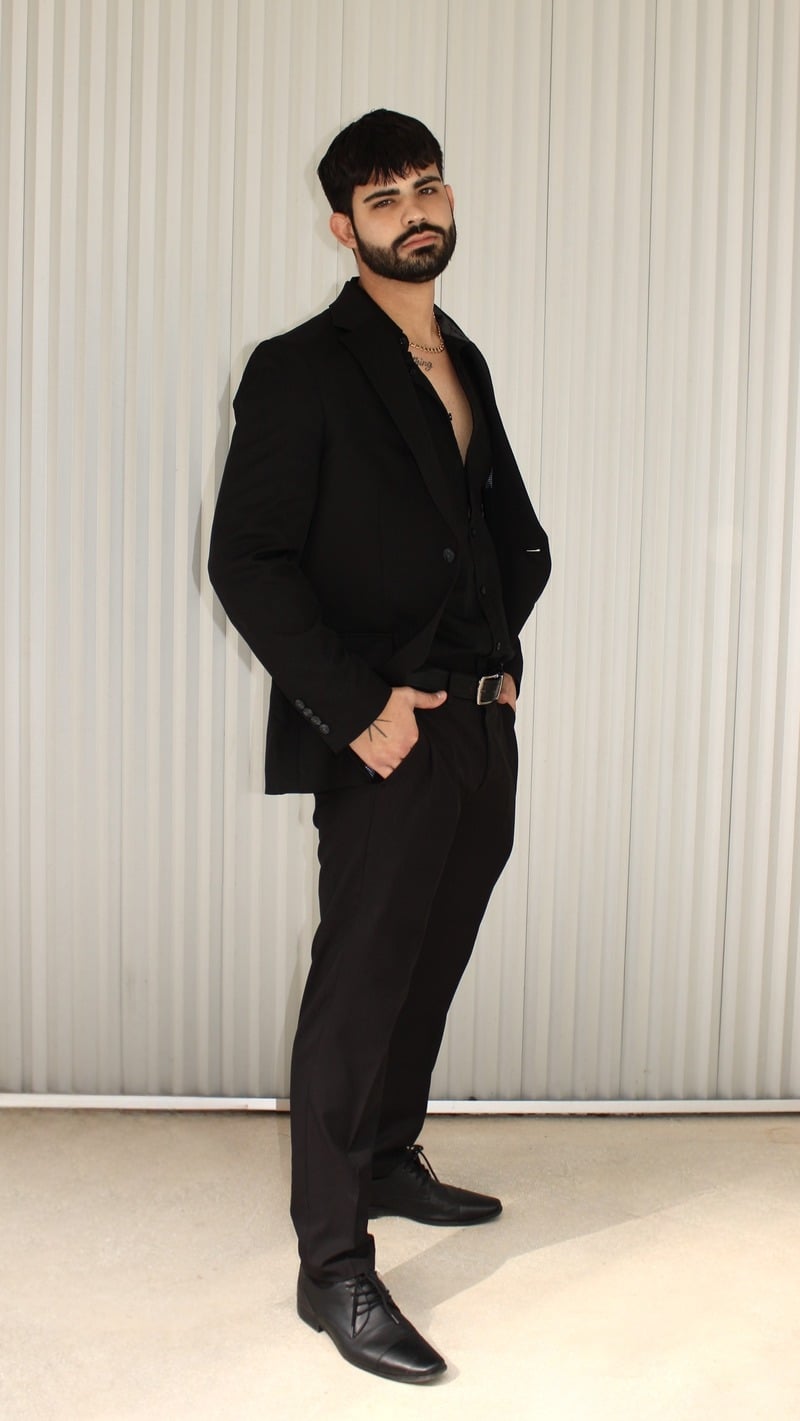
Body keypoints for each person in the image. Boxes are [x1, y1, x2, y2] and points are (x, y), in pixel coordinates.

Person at [208, 109, 550, 1384]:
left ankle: (390, 1154)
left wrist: (499, 664)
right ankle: (332, 1264)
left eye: (426, 186)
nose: (414, 211)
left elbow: (486, 530)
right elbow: (245, 559)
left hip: (477, 723)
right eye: (383, 197)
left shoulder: (460, 354)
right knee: (358, 985)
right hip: (385, 734)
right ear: (340, 227)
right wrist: (359, 707)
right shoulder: (299, 367)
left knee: (430, 957)